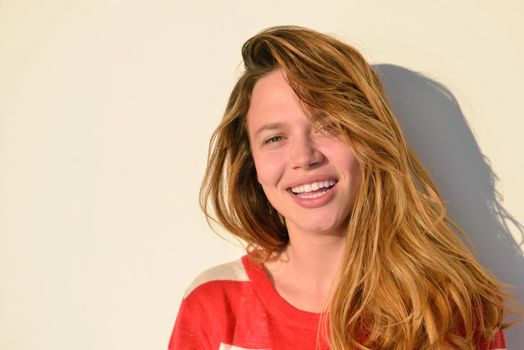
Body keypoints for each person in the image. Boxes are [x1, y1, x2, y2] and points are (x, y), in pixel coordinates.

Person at [168, 25, 510, 349]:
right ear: (252, 164)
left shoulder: (450, 309)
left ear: (369, 141)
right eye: (274, 138)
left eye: (329, 127)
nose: (304, 156)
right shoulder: (214, 305)